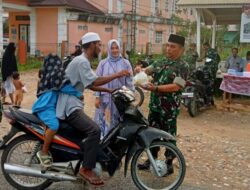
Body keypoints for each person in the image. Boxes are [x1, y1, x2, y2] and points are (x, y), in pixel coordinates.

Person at [56, 32, 130, 186]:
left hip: (72, 103)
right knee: (94, 130)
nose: (100, 48)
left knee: (85, 134)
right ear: (91, 45)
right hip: (69, 107)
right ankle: (86, 169)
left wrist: (110, 91)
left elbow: (91, 85)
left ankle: (79, 165)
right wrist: (117, 75)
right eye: (98, 44)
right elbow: (95, 80)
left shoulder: (83, 61)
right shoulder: (82, 61)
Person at [135, 34, 189, 174]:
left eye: (173, 47)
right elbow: (149, 70)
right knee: (151, 133)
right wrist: (140, 70)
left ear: (181, 49)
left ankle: (169, 162)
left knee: (169, 136)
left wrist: (156, 88)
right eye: (168, 45)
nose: (169, 49)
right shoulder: (161, 61)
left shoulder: (183, 66)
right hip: (155, 106)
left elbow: (177, 86)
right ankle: (151, 160)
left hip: (169, 108)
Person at [32, 54, 82, 168]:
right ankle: (44, 152)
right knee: (54, 126)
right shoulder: (56, 76)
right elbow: (65, 87)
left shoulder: (46, 77)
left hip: (47, 107)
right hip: (45, 108)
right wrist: (79, 94)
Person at [94, 39, 134, 138]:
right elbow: (97, 81)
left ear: (120, 49)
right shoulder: (103, 63)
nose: (115, 50)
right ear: (108, 49)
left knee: (118, 121)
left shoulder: (126, 63)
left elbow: (130, 81)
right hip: (105, 98)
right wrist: (97, 97)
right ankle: (103, 141)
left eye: (117, 48)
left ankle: (114, 142)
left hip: (120, 99)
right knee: (103, 120)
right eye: (112, 48)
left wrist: (131, 95)